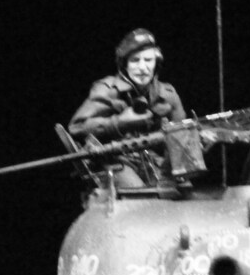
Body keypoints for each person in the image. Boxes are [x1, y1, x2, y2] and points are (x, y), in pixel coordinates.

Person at [68, 28, 187, 189]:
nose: (142, 67)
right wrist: (120, 123)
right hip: (117, 160)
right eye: (135, 60)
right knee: (138, 195)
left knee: (182, 190)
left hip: (156, 163)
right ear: (125, 64)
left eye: (148, 60)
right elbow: (77, 127)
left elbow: (182, 135)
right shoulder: (108, 89)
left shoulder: (167, 93)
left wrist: (196, 142)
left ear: (156, 62)